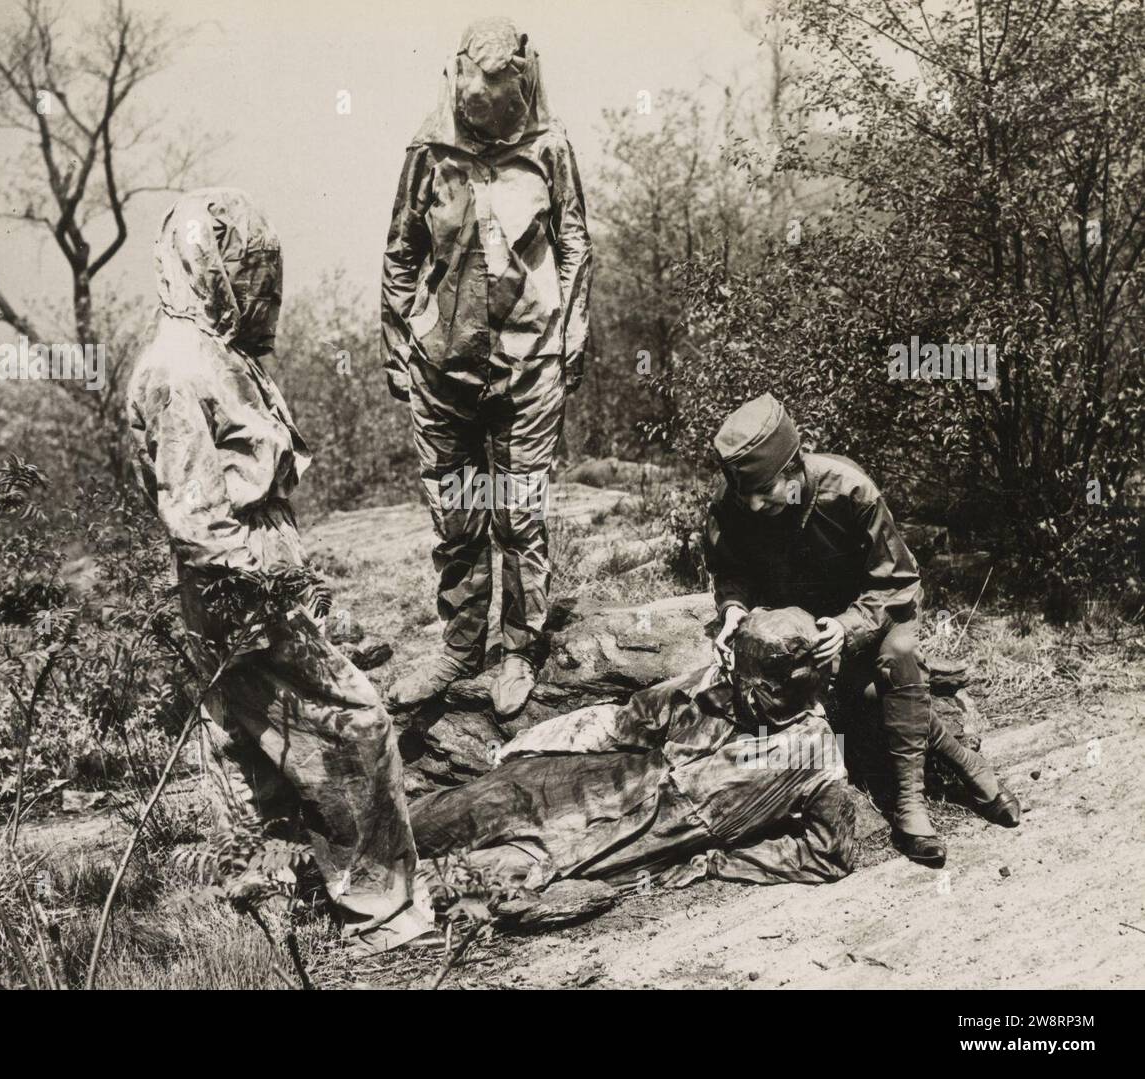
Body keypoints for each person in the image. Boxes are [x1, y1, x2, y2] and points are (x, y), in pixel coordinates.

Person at [125, 188, 434, 952]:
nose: (260, 290)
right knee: (352, 721)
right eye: (245, 270)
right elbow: (196, 518)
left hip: (255, 570)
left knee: (261, 743)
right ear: (207, 266)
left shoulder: (210, 350)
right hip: (239, 582)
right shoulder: (174, 366)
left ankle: (282, 910)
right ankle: (382, 912)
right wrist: (269, 599)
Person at [704, 393, 1020, 867]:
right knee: (872, 698)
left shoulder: (849, 490)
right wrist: (732, 608)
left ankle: (909, 803)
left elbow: (897, 582)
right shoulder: (734, 503)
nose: (752, 505)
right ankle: (959, 757)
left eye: (764, 489)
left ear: (793, 469)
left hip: (872, 620)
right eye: (744, 493)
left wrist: (849, 627)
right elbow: (730, 569)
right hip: (800, 634)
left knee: (900, 656)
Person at [381, 16, 593, 718]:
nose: (490, 112)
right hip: (445, 365)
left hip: (529, 360)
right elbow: (400, 253)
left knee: (520, 512)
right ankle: (461, 644)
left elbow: (574, 244)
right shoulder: (428, 150)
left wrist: (571, 337)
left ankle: (518, 648)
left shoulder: (551, 148)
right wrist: (396, 349)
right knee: (459, 513)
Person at [411, 608, 858, 892]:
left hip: (601, 847)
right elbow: (625, 720)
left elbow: (829, 854)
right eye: (735, 672)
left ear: (788, 682)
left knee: (438, 882)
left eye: (750, 681)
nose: (736, 683)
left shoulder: (811, 753)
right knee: (427, 819)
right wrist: (525, 747)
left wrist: (717, 862)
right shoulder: (713, 685)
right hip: (571, 787)